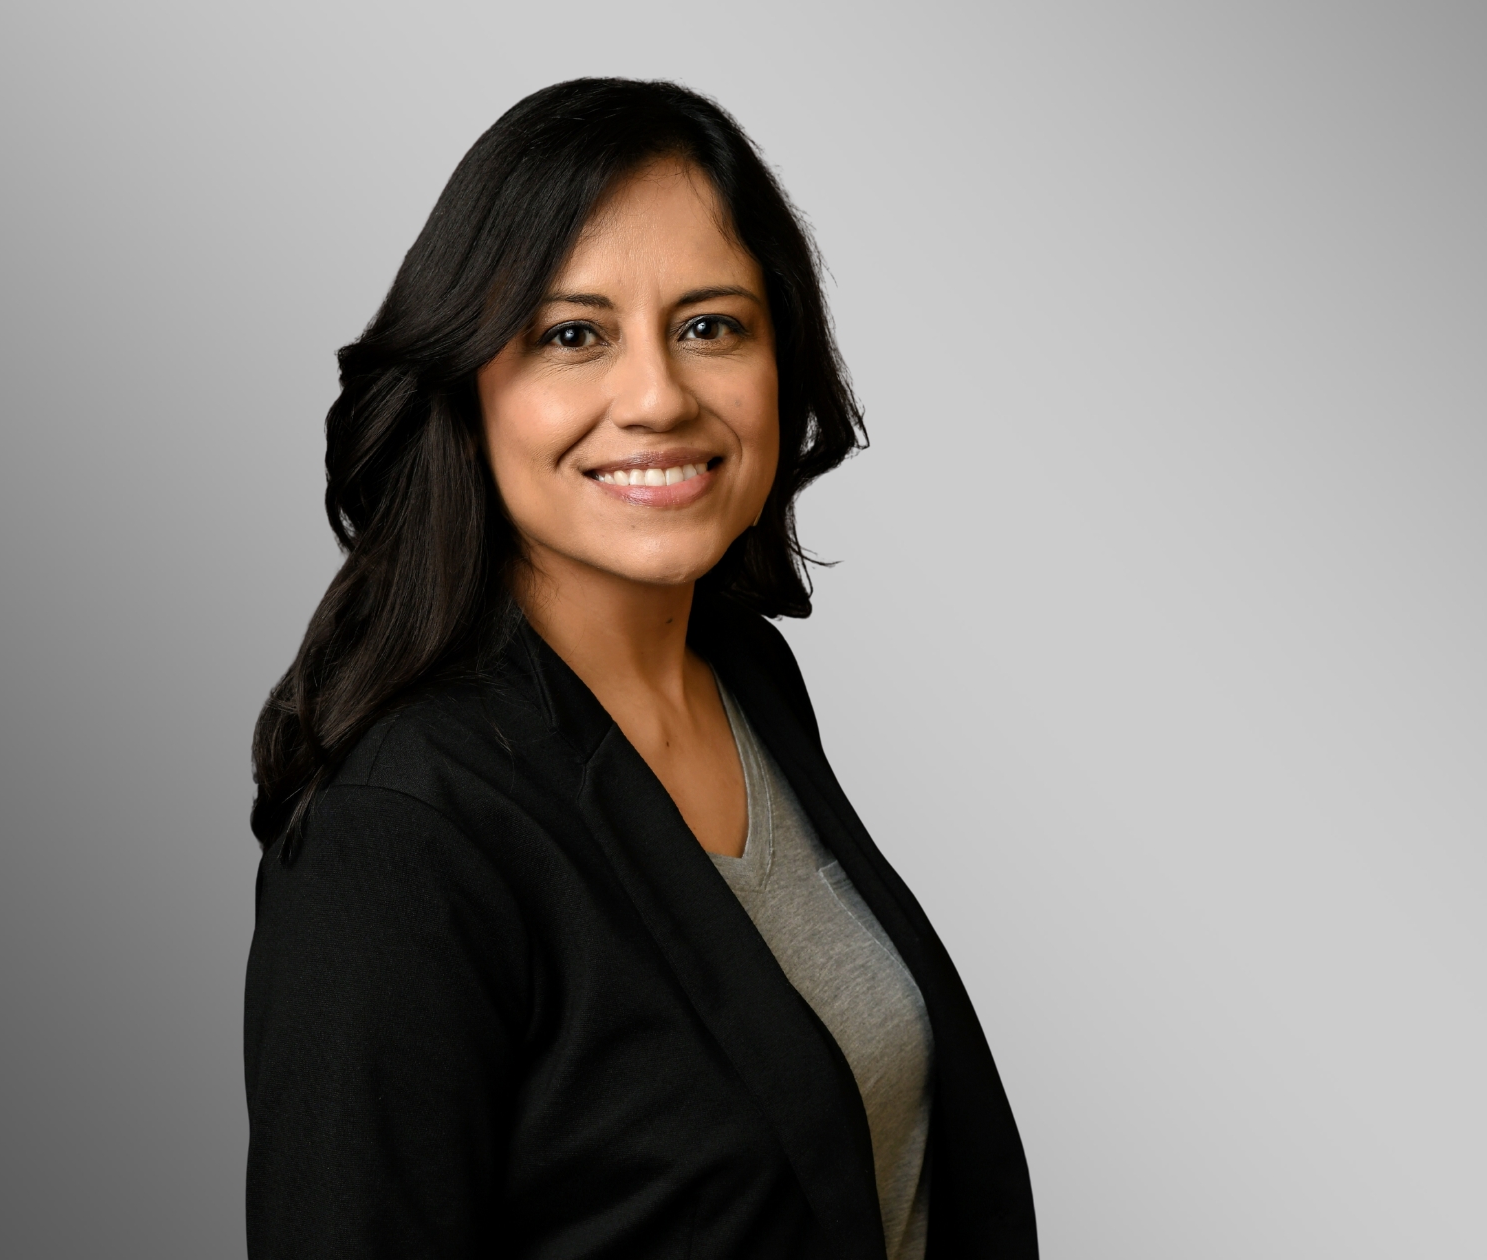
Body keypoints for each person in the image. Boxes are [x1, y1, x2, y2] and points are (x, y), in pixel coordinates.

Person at [243, 78, 1035, 1260]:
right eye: (574, 335)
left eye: (711, 326)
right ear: (469, 385)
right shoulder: (401, 831)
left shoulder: (744, 681)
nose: (659, 396)